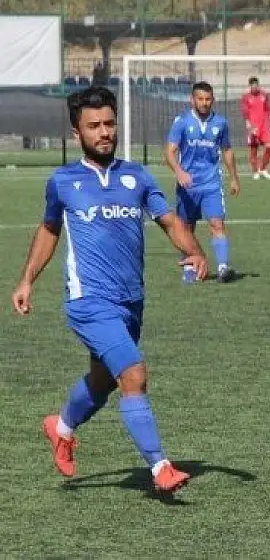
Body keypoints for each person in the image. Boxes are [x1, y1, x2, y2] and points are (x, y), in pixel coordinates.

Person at [11, 86, 207, 493]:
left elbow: (169, 221)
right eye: (94, 125)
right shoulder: (63, 181)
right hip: (88, 302)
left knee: (102, 383)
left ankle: (61, 426)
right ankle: (160, 468)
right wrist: (28, 279)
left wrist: (195, 251)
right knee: (133, 374)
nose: (104, 132)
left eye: (109, 123)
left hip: (130, 301)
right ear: (76, 131)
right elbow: (49, 230)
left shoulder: (137, 175)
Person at [165, 81, 241, 283]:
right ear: (192, 100)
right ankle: (190, 267)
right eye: (200, 99)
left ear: (213, 100)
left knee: (217, 224)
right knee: (186, 228)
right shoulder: (181, 122)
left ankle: (223, 268)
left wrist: (234, 178)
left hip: (212, 184)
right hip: (188, 186)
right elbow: (170, 151)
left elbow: (227, 150)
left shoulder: (220, 123)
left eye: (208, 99)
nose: (204, 103)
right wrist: (179, 171)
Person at [240, 76, 270, 180]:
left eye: (256, 85)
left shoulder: (264, 95)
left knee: (269, 146)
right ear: (250, 86)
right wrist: (247, 122)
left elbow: (268, 109)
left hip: (264, 124)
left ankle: (264, 169)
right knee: (254, 149)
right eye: (253, 85)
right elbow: (245, 111)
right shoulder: (246, 97)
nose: (255, 87)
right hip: (254, 126)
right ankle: (255, 171)